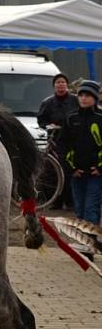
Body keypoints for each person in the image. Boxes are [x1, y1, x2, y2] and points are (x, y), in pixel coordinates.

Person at [37, 73, 79, 209]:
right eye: (58, 83)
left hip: (72, 141)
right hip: (55, 141)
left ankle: (71, 201)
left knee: (70, 170)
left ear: (67, 85)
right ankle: (56, 201)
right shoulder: (47, 103)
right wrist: (49, 126)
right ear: (54, 86)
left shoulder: (76, 100)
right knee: (54, 172)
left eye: (63, 83)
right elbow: (41, 120)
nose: (60, 85)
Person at [63, 80, 102, 226]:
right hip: (77, 173)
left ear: (95, 98)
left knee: (91, 209)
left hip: (96, 174)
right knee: (79, 210)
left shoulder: (100, 118)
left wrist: (100, 168)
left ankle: (91, 244)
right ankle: (82, 243)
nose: (83, 98)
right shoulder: (71, 118)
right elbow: (63, 145)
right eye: (81, 95)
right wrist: (70, 169)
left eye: (88, 95)